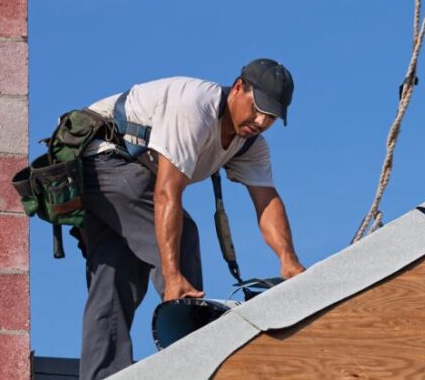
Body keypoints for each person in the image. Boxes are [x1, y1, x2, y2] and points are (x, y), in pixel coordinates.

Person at [76, 58, 305, 379]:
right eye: (257, 108)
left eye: (270, 117)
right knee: (183, 237)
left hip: (119, 173)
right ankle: (194, 362)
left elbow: (266, 200)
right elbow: (166, 193)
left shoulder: (250, 144)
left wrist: (289, 262)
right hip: (102, 157)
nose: (260, 121)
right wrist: (173, 278)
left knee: (118, 272)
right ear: (239, 88)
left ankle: (102, 374)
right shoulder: (195, 108)